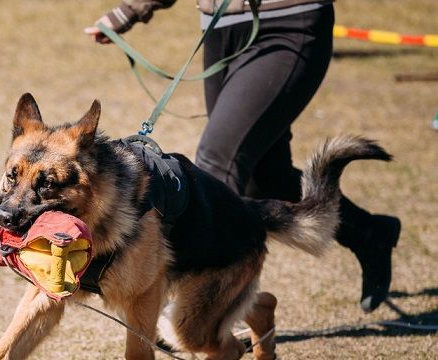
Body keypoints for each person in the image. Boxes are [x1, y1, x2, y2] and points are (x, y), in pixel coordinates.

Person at [85, 0, 401, 313]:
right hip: (220, 27)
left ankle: (203, 305)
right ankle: (370, 234)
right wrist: (129, 10)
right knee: (266, 177)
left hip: (289, 23)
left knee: (218, 161)